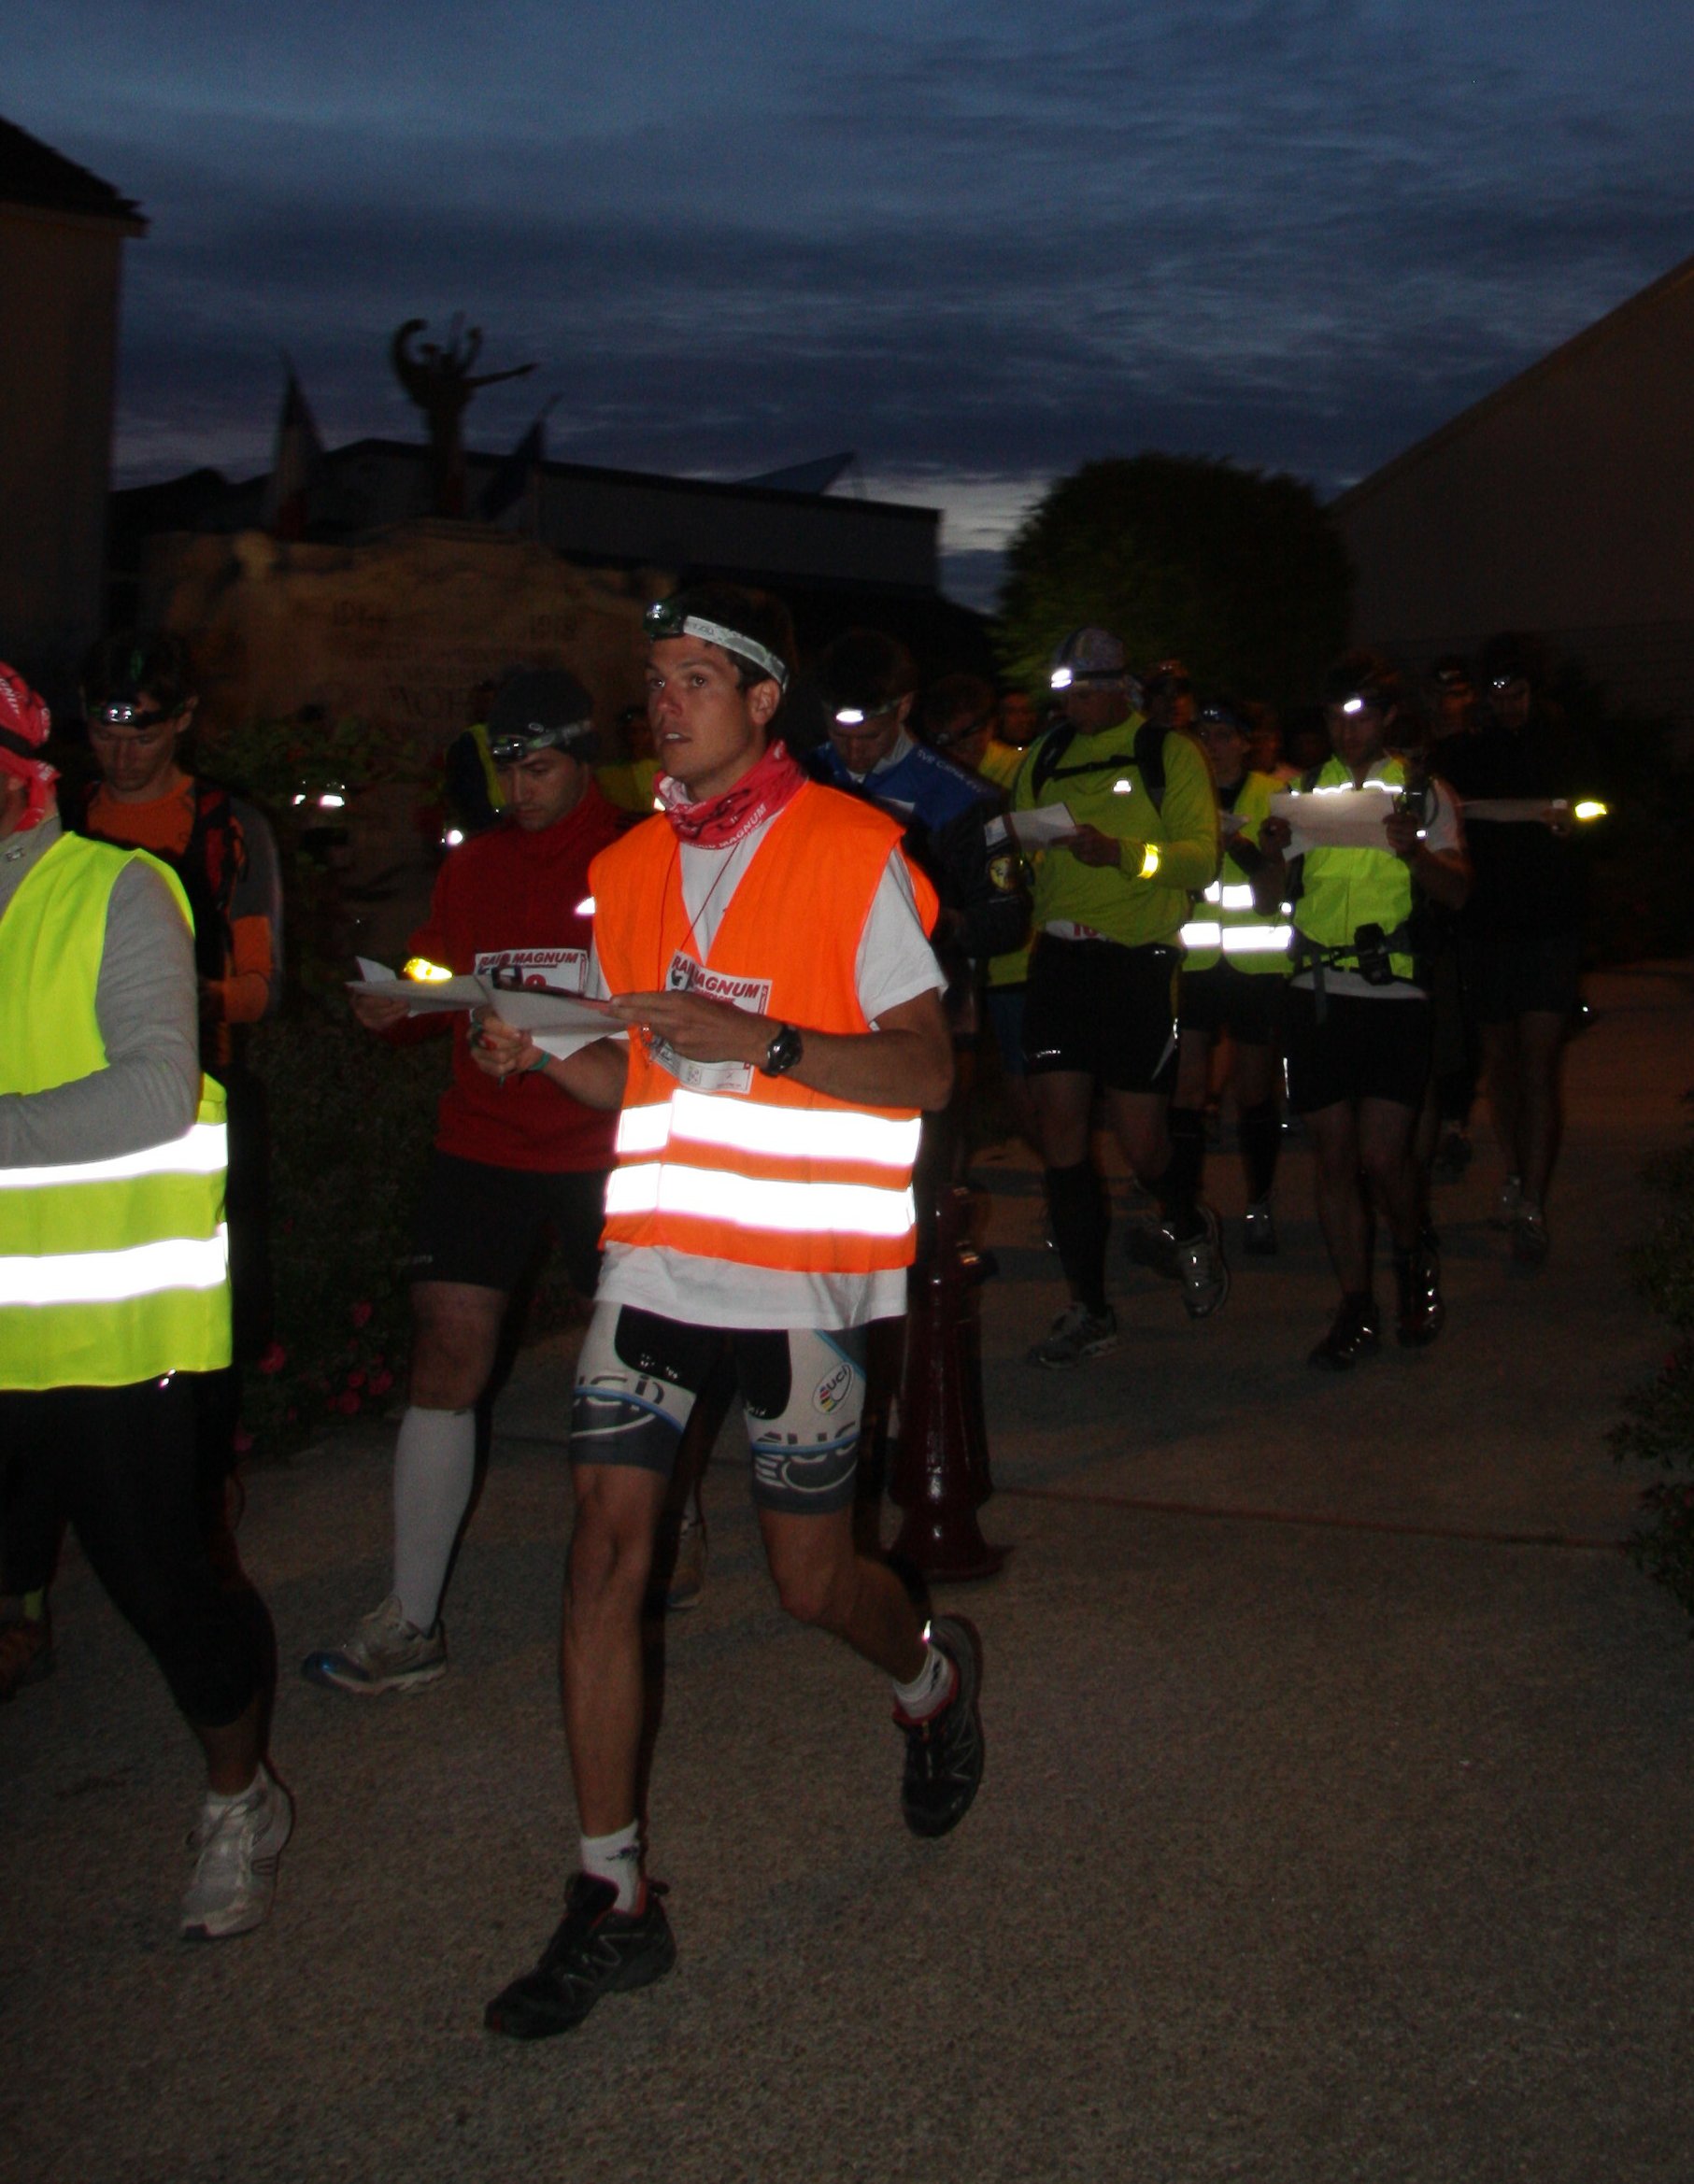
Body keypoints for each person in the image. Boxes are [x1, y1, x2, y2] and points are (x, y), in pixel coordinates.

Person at [470, 584, 983, 2042]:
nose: (665, 700)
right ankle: (612, 1895)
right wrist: (540, 1051)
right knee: (599, 1559)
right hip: (654, 1266)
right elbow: (634, 1072)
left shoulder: (852, 850)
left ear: (765, 704)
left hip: (800, 1275)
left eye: (697, 676)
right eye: (654, 677)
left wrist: (767, 1039)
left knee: (811, 1584)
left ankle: (930, 1679)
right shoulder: (628, 864)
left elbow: (928, 1071)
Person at [0, 661, 289, 1936]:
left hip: (106, 1333)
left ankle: (239, 1797)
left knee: (170, 1594)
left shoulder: (118, 888)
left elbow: (159, 1089)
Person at [300, 668, 622, 1694]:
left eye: (540, 770)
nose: (519, 791)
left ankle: (679, 1522)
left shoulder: (637, 859)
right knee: (444, 1351)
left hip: (606, 1148)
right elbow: (443, 969)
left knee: (632, 1373)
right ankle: (412, 1619)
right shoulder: (473, 865)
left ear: (583, 759)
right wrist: (404, 1000)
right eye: (508, 771)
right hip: (482, 1141)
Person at [1014, 628, 1227, 1362]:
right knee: (1060, 1132)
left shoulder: (1167, 753)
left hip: (1136, 964)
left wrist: (1124, 855)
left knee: (1141, 1145)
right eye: (1063, 694)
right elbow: (1016, 844)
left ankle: (1187, 1225)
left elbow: (1200, 860)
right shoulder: (1043, 755)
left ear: (1114, 689)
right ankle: (1089, 1306)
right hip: (1058, 961)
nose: (1069, 707)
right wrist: (1013, 859)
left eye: (1081, 693)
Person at [1255, 652, 1470, 1367]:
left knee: (1383, 1158)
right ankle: (1354, 1303)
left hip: (1393, 991)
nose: (1346, 731)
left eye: (1359, 717)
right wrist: (1271, 854)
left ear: (1384, 718)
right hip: (1314, 990)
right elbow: (1266, 900)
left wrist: (1414, 854)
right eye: (1334, 717)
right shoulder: (1299, 793)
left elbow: (1458, 892)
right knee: (1332, 1157)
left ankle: (1411, 1256)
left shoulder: (1422, 793)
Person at [1435, 635, 1598, 1265]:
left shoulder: (1563, 746)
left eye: (1518, 691)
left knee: (1539, 1065)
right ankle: (1512, 1173)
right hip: (1486, 929)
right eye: (1498, 692)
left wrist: (1575, 823)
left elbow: (1597, 814)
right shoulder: (1464, 754)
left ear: (1534, 692)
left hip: (1549, 928)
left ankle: (1533, 1199)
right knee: (1501, 1063)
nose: (1508, 703)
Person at [1172, 699, 1290, 1254]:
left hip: (1257, 962)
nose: (1211, 746)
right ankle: (1185, 1206)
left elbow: (1278, 888)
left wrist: (1238, 846)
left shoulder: (1274, 795)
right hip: (1195, 959)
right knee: (1188, 1089)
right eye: (1203, 735)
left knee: (1254, 1091)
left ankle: (1258, 1199)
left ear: (1245, 742)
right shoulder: (1183, 792)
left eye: (1222, 735)